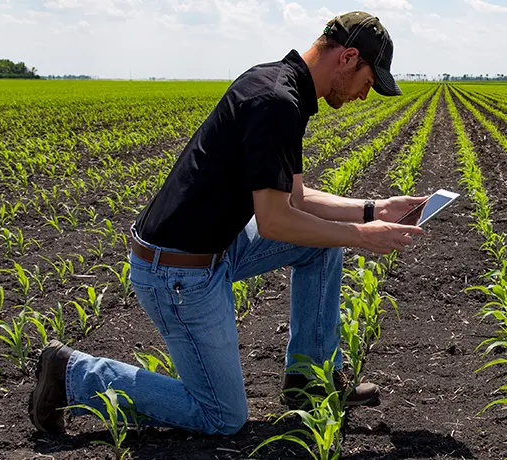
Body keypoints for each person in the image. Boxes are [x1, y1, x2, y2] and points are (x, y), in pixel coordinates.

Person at [28, 11, 427, 437]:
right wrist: (364, 237)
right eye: (368, 82)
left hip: (213, 248)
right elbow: (275, 221)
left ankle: (310, 380)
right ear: (348, 57)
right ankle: (71, 373)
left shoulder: (279, 84)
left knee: (320, 242)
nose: (365, 95)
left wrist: (374, 209)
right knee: (221, 417)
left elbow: (295, 199)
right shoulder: (277, 102)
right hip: (177, 273)